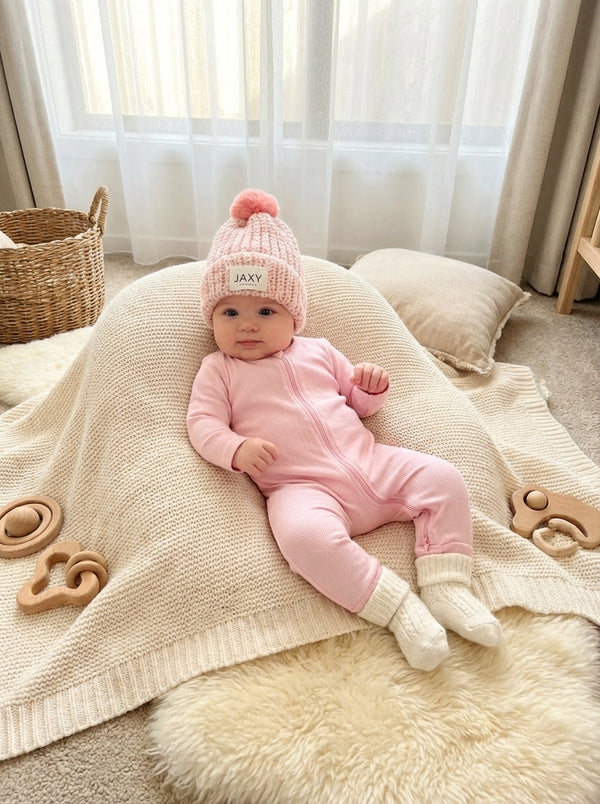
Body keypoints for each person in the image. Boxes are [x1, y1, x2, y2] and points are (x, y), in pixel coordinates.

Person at [187, 188, 502, 671]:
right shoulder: (220, 370)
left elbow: (355, 404)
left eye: (265, 311)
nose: (246, 326)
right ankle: (398, 608)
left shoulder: (318, 350)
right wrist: (235, 448)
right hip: (301, 487)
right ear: (212, 318)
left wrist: (369, 390)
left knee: (444, 479)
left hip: (372, 462)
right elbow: (202, 423)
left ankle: (446, 585)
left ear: (294, 316)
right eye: (230, 312)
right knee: (303, 539)